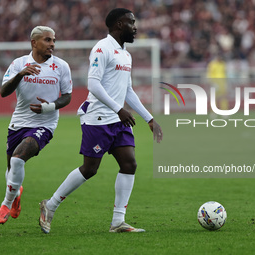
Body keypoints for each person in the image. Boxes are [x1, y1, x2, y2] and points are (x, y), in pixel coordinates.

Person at [39, 8, 163, 234]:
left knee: (129, 164)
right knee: (90, 169)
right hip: (97, 118)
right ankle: (51, 204)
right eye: (131, 23)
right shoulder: (102, 48)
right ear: (118, 25)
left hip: (117, 121)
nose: (135, 27)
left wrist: (150, 119)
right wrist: (118, 109)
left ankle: (118, 222)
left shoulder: (126, 54)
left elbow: (128, 90)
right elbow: (93, 85)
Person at [0, 26, 73, 224]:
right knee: (12, 170)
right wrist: (20, 74)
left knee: (18, 159)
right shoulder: (19, 63)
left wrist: (49, 107)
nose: (52, 44)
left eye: (53, 40)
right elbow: (3, 92)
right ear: (34, 43)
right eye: (47, 40)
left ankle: (6, 204)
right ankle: (16, 192)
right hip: (18, 123)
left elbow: (68, 96)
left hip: (45, 124)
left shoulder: (61, 66)